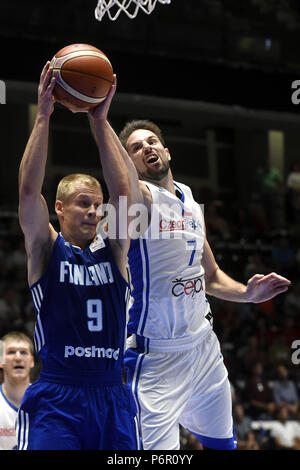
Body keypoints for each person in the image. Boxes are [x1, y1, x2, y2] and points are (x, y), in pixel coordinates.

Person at [110, 118, 291, 450]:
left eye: (152, 141)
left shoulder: (190, 199)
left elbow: (209, 275)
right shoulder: (136, 202)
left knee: (225, 446)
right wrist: (98, 117)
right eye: (135, 148)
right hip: (155, 356)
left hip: (203, 347)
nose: (146, 147)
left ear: (167, 150)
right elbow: (118, 180)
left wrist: (247, 294)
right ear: (127, 163)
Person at [16, 62, 139, 450]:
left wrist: (100, 122)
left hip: (111, 393)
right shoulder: (45, 247)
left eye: (97, 206)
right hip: (57, 395)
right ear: (60, 208)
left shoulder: (115, 248)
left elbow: (124, 194)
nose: (94, 212)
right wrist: (43, 116)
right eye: (83, 204)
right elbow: (26, 192)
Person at [0, 332, 34, 450]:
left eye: (24, 352)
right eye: (11, 352)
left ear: (32, 361)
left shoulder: (47, 402)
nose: (18, 357)